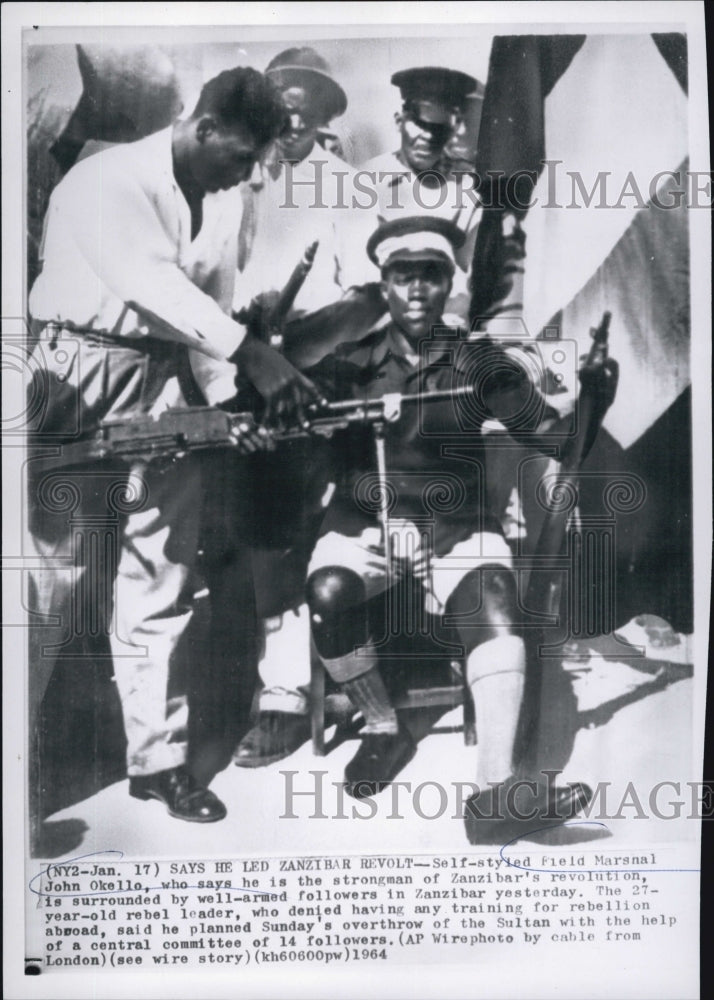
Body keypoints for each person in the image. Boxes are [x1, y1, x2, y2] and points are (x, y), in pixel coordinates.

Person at [27, 67, 320, 825]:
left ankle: (157, 762)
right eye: (241, 154)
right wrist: (256, 355)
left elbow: (209, 311)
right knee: (48, 580)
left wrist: (229, 405)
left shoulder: (224, 201)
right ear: (204, 125)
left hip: (169, 384)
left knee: (160, 573)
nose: (250, 173)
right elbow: (148, 281)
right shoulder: (107, 180)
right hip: (79, 375)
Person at [302, 216, 617, 841]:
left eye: (430, 276)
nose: (416, 291)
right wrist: (385, 509)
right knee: (329, 593)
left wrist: (591, 398)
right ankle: (384, 728)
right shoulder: (350, 364)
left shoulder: (480, 362)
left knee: (497, 609)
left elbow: (547, 434)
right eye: (401, 277)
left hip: (457, 528)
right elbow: (325, 458)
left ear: (448, 283)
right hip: (370, 524)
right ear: (384, 285)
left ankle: (494, 798)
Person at [224, 47, 379, 769]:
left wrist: (292, 357)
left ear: (322, 123)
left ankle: (303, 695)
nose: (284, 127)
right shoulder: (236, 185)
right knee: (262, 536)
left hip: (321, 381)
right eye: (275, 112)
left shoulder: (343, 188)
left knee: (313, 537)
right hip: (241, 376)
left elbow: (367, 303)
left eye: (299, 117)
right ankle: (287, 686)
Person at [360, 67, 482, 321]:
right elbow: (358, 277)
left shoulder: (468, 190)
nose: (427, 137)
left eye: (439, 129)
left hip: (446, 324)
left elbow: (473, 278)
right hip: (379, 322)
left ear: (452, 129)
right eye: (420, 124)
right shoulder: (365, 183)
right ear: (399, 121)